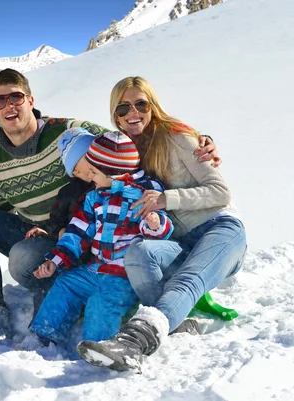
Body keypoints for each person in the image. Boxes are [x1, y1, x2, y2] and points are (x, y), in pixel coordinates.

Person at [0, 69, 219, 343]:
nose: (9, 105)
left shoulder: (68, 129)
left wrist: (196, 139)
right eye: (0, 101)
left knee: (25, 256)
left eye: (16, 97)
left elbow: (125, 140)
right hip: (56, 233)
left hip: (89, 230)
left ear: (30, 100)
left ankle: (75, 309)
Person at [76, 76, 247, 372]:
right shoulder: (126, 148)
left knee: (187, 280)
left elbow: (221, 192)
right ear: (114, 115)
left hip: (220, 228)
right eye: (123, 107)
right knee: (139, 254)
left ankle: (135, 341)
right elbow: (79, 137)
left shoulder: (178, 138)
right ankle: (177, 322)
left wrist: (166, 198)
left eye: (141, 104)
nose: (133, 112)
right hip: (180, 239)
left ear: (152, 106)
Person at [29, 128, 174, 346]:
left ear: (113, 172)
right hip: (95, 268)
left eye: (94, 173)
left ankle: (98, 347)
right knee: (66, 283)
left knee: (102, 302)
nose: (90, 177)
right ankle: (43, 335)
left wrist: (155, 223)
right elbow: (77, 232)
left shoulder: (145, 192)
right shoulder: (94, 198)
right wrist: (55, 260)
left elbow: (161, 228)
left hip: (124, 275)